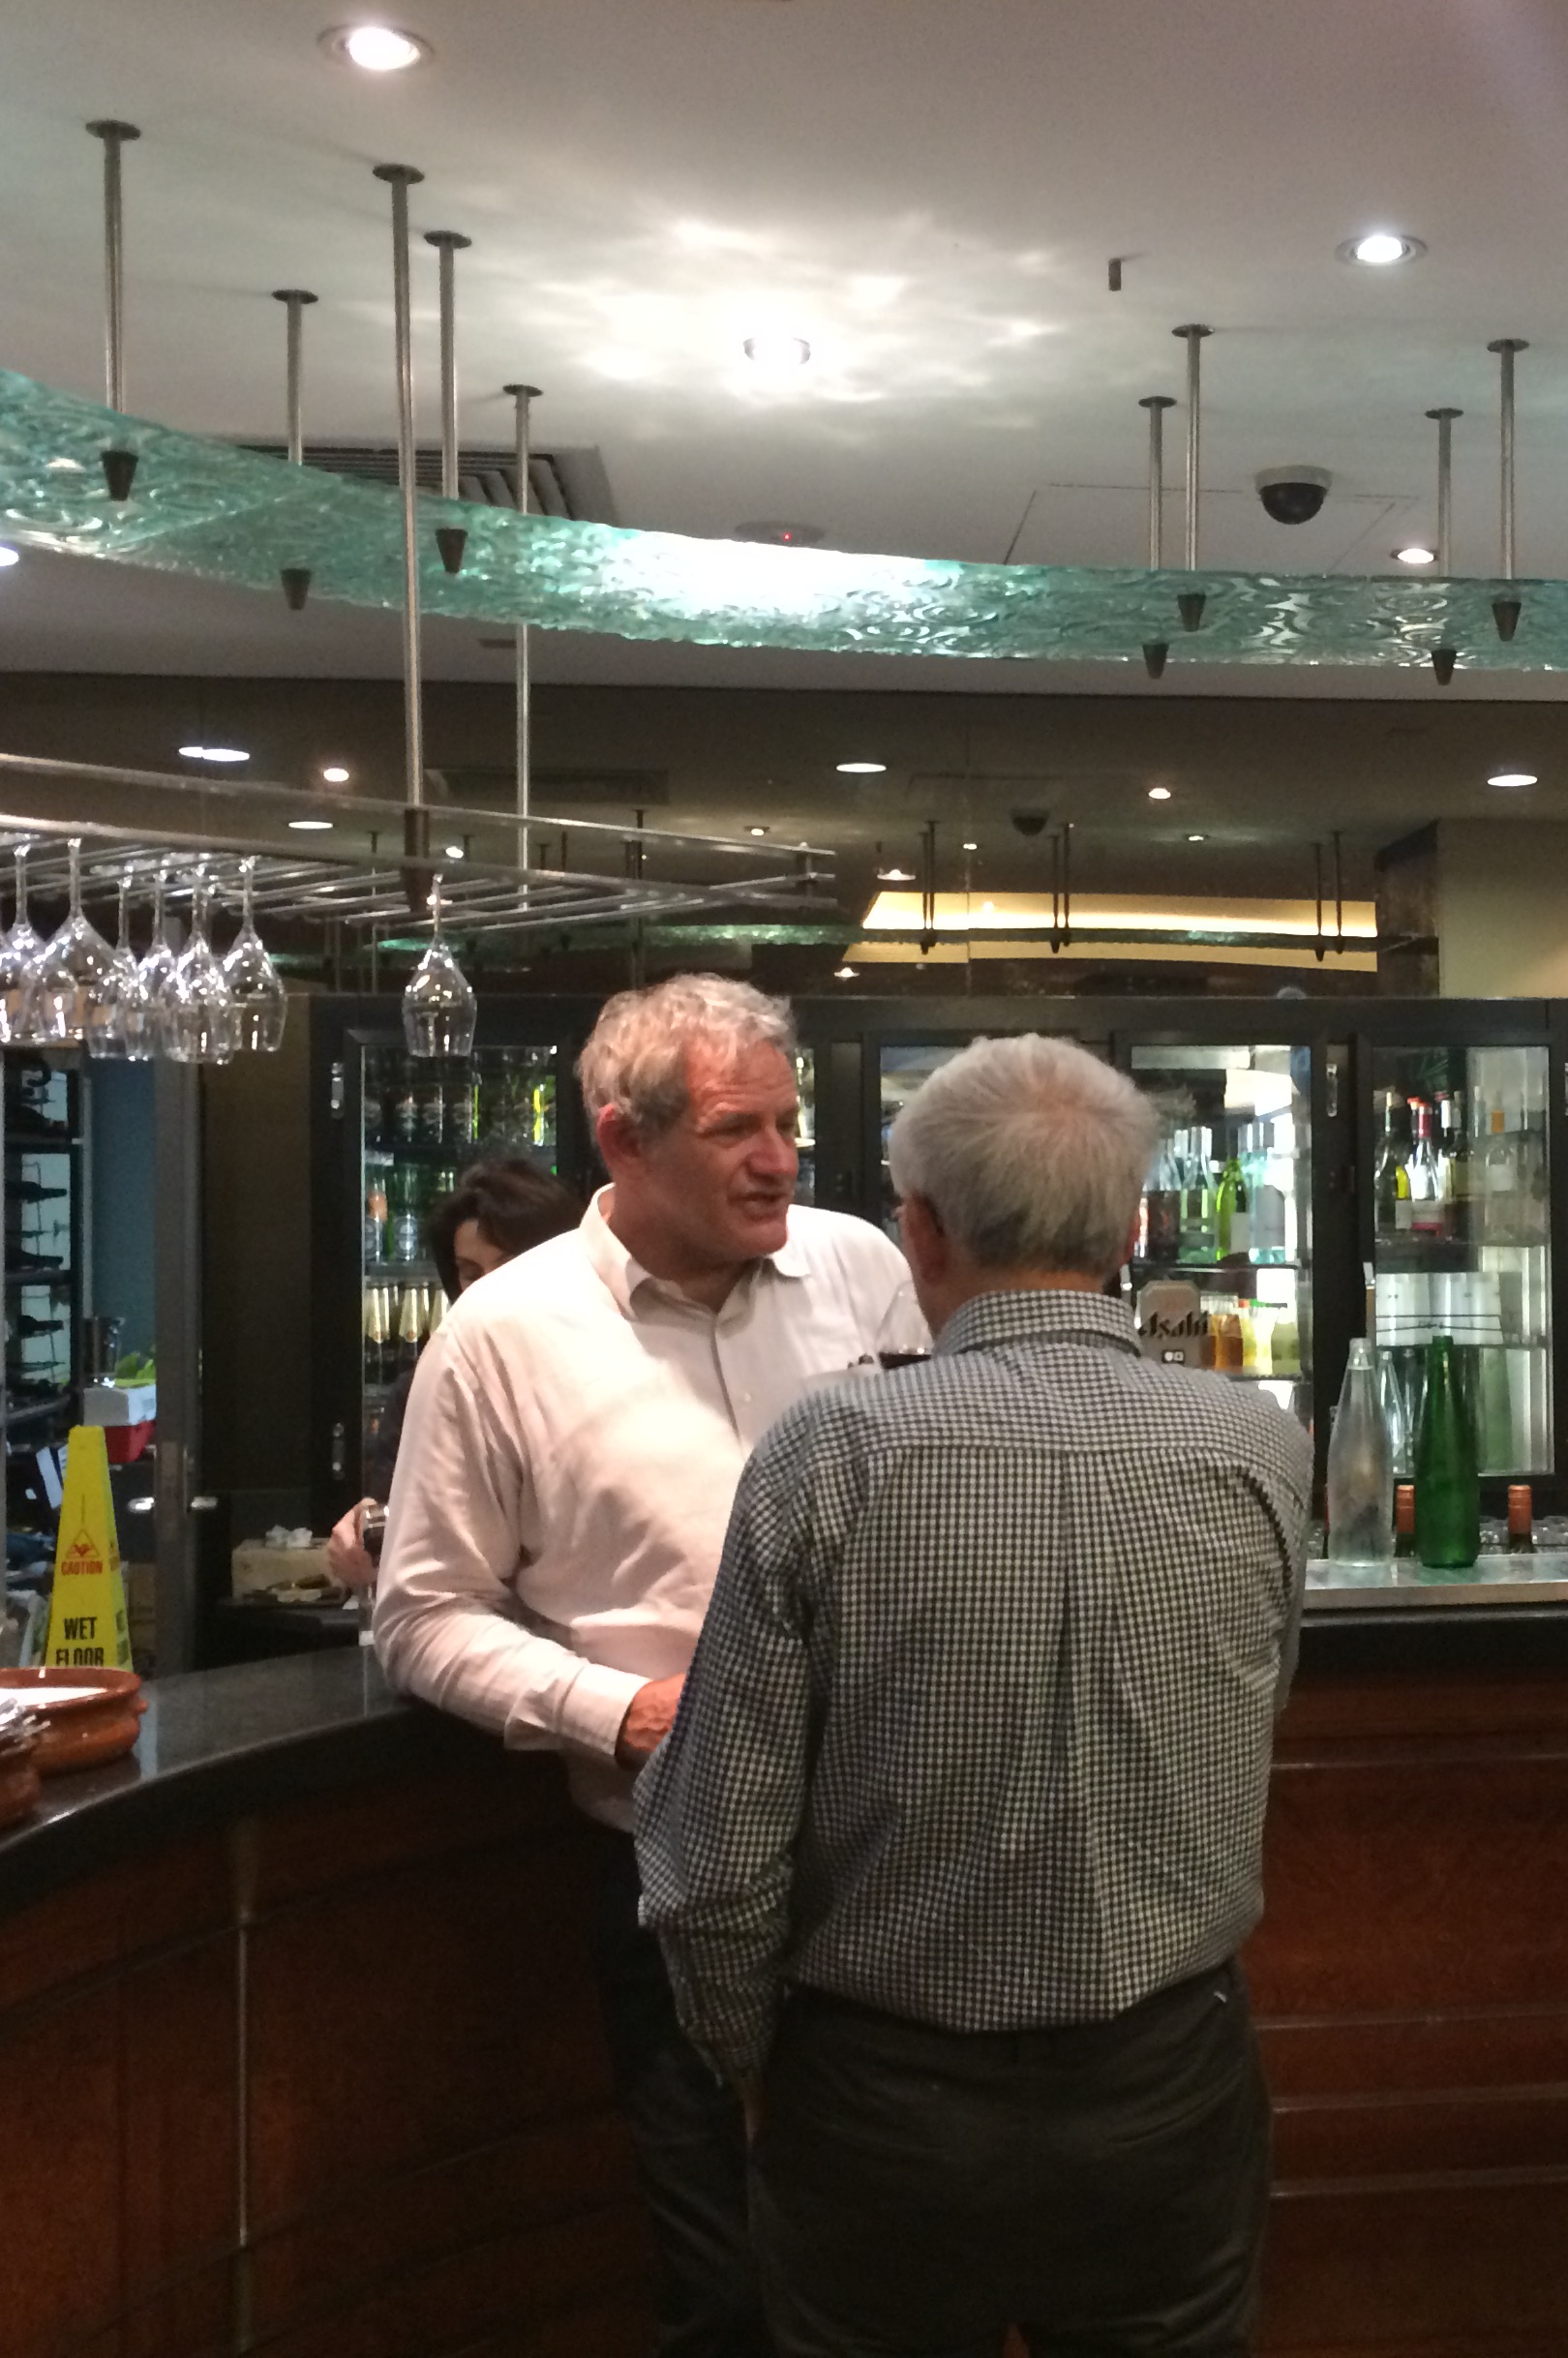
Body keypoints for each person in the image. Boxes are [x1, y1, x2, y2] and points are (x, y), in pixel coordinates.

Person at [636, 1036, 1307, 2358]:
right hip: (1170, 2082)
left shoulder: (830, 1452)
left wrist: (755, 2066)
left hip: (882, 2094)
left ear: (922, 1231)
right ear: (1132, 1229)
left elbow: (714, 1862)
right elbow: (1265, 1707)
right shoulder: (1256, 1445)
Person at [377, 973, 927, 2358]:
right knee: (728, 2290)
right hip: (671, 1869)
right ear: (624, 1139)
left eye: (789, 1125)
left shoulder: (861, 1268)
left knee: (900, 2272)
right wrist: (615, 1712)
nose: (780, 1160)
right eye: (740, 1129)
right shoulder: (501, 1337)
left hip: (892, 1852)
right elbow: (421, 1613)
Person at [325, 1150, 586, 1593]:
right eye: (469, 1273)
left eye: (509, 1266)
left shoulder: (608, 1369)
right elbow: (393, 1514)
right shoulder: (423, 1389)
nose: (488, 1289)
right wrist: (361, 1536)